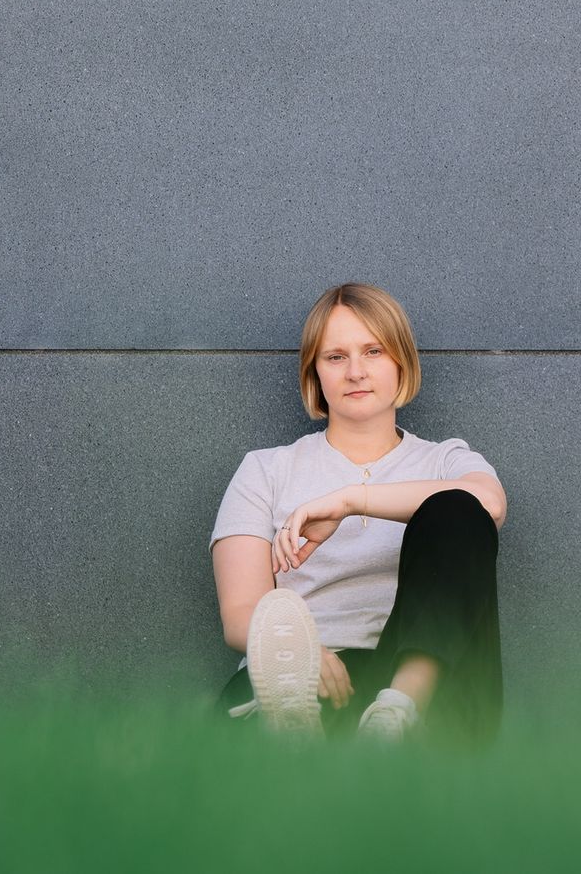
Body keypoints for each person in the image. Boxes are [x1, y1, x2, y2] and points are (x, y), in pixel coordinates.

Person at [209, 282, 507, 748]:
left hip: (421, 683)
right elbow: (240, 613)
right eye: (335, 357)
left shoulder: (447, 462)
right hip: (303, 674)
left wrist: (351, 500)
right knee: (284, 693)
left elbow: (488, 505)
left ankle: (397, 715)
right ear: (316, 374)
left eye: (373, 351)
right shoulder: (265, 470)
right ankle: (294, 735)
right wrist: (301, 654)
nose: (356, 371)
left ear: (400, 362)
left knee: (457, 507)